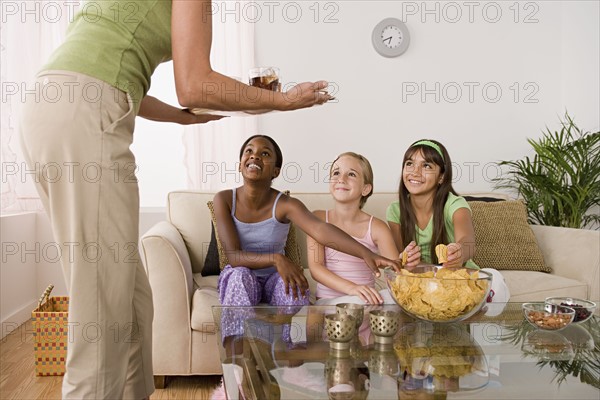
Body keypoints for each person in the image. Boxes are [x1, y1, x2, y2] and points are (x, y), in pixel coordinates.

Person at [18, 2, 333, 399]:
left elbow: (106, 70)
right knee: (102, 312)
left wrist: (181, 118)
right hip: (84, 114)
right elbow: (196, 84)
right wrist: (282, 101)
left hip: (59, 107)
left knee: (132, 304)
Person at [214, 137, 399, 342]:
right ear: (241, 163)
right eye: (249, 151)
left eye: (265, 153)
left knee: (296, 291)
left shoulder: (285, 204)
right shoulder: (223, 199)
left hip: (274, 279)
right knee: (239, 276)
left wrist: (366, 253)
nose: (255, 155)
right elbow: (233, 256)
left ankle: (284, 360)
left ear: (275, 171)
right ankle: (235, 361)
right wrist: (277, 259)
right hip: (242, 273)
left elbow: (321, 230)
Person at [386, 139, 510, 302]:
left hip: (460, 279)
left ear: (441, 177)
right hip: (421, 280)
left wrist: (459, 251)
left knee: (494, 277)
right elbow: (399, 262)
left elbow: (468, 242)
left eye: (426, 166)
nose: (415, 172)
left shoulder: (454, 204)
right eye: (410, 164)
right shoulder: (395, 211)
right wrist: (407, 260)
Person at [306, 152, 420, 305]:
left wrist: (406, 264)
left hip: (365, 302)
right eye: (336, 173)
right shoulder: (317, 219)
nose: (341, 179)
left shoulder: (377, 227)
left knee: (394, 297)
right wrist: (353, 289)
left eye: (351, 174)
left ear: (365, 189)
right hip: (329, 303)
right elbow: (316, 269)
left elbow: (394, 271)